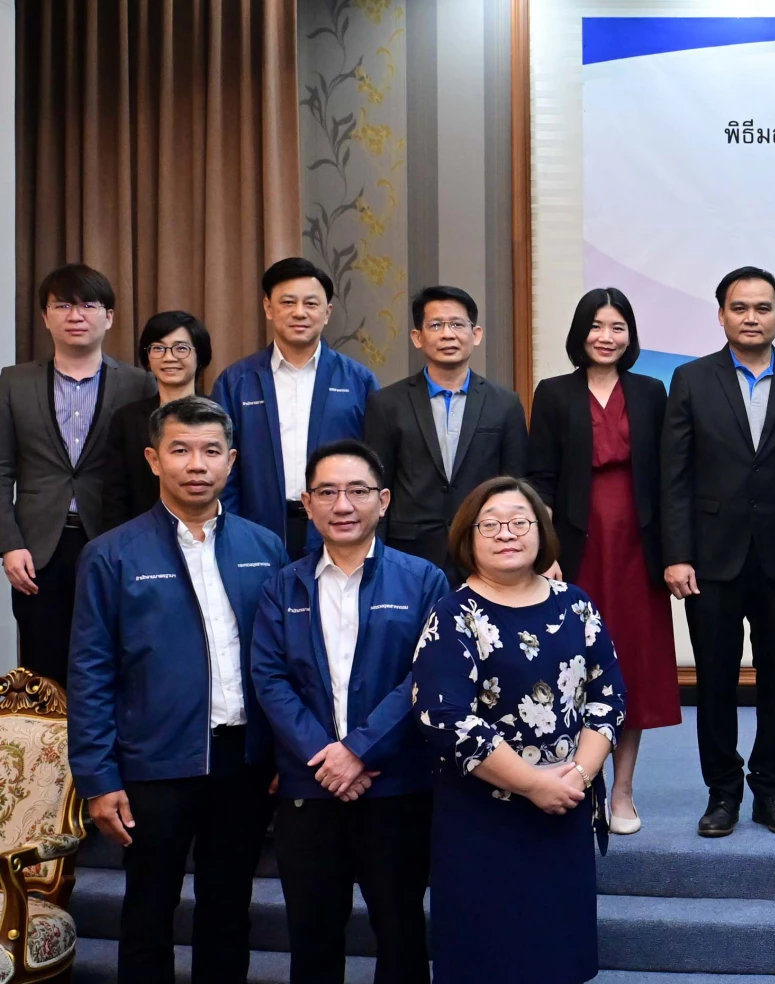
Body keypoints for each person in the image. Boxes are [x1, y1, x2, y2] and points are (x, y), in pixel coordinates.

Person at [67, 395, 288, 984]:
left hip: (243, 761)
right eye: (181, 450)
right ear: (153, 459)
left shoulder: (264, 548)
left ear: (231, 461)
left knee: (228, 911)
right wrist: (98, 777)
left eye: (211, 451)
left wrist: (282, 751)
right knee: (148, 911)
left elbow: (285, 661)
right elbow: (90, 672)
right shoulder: (110, 554)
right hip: (152, 763)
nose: (196, 464)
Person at [250, 439, 450, 984]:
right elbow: (270, 679)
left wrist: (359, 751)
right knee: (312, 940)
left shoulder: (424, 580)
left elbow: (425, 677)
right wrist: (327, 755)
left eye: (358, 491)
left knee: (401, 935)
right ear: (307, 504)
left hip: (395, 787)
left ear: (383, 501)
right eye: (327, 492)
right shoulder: (281, 586)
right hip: (310, 787)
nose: (343, 505)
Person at [411, 477, 625, 984]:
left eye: (519, 522)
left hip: (565, 807)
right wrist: (533, 784)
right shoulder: (455, 614)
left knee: (557, 952)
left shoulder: (575, 604)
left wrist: (577, 776)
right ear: (468, 536)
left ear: (541, 532)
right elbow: (445, 717)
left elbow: (608, 696)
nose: (506, 533)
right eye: (490, 524)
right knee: (488, 957)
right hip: (483, 818)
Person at [661, 266, 775, 837]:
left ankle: (773, 793)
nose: (751, 318)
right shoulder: (690, 379)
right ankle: (723, 793)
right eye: (739, 307)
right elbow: (674, 476)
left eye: (762, 308)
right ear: (721, 315)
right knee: (715, 680)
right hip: (710, 559)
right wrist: (676, 554)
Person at [528, 288, 677, 836]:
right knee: (572, 664)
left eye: (617, 327)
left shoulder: (651, 392)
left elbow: (668, 478)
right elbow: (539, 480)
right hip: (576, 547)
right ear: (580, 332)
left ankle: (622, 789)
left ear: (630, 335)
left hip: (637, 547)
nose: (606, 337)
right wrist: (545, 553)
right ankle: (575, 779)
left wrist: (674, 553)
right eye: (596, 325)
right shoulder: (553, 393)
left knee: (630, 663)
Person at [0, 265, 156, 683]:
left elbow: (145, 475)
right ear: (45, 316)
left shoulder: (139, 384)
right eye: (63, 306)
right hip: (38, 552)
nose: (76, 315)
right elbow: (1, 470)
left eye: (89, 305)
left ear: (109, 317)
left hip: (111, 541)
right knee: (43, 672)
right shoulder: (13, 382)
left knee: (113, 664)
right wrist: (9, 545)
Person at [213, 257, 380, 560]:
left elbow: (375, 464)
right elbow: (223, 464)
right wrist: (232, 529)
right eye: (288, 302)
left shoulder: (359, 381)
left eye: (311, 304)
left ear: (327, 313)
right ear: (268, 308)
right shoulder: (236, 381)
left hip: (338, 528)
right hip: (256, 529)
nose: (299, 312)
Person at [366, 285, 528, 578]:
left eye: (457, 324)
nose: (447, 334)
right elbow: (377, 487)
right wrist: (375, 554)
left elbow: (515, 486)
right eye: (436, 325)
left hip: (482, 547)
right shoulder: (386, 404)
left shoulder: (505, 404)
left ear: (475, 334)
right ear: (417, 337)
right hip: (409, 552)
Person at [101, 311, 212, 531]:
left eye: (181, 348)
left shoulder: (220, 416)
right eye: (158, 348)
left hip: (208, 535)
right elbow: (115, 496)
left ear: (199, 355)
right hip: (141, 538)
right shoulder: (126, 420)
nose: (169, 357)